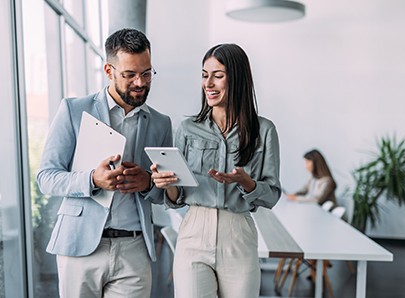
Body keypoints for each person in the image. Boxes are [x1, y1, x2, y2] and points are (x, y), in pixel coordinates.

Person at [37, 28, 172, 298]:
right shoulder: (74, 110)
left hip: (134, 250)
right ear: (109, 71)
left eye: (146, 73)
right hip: (80, 246)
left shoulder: (161, 123)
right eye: (129, 74)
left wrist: (147, 183)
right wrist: (92, 180)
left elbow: (165, 193)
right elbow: (46, 177)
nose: (140, 82)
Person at [151, 43, 282, 298]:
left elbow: (273, 195)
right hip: (193, 232)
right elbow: (177, 199)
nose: (208, 83)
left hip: (238, 235)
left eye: (217, 76)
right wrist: (167, 184)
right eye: (204, 75)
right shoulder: (187, 128)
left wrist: (248, 184)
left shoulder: (264, 131)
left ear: (238, 79)